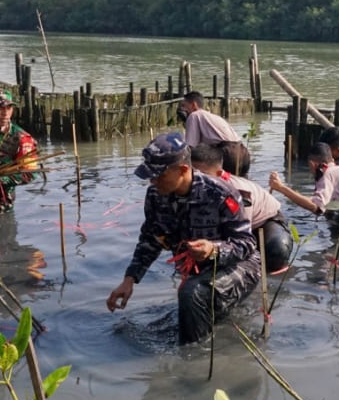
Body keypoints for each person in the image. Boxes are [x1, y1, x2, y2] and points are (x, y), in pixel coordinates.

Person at [106, 131, 261, 344]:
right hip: (195, 271)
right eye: (150, 175)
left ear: (183, 170)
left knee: (192, 294)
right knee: (192, 302)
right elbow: (151, 238)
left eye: (159, 175)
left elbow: (247, 244)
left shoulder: (220, 194)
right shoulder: (155, 196)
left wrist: (213, 250)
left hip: (240, 267)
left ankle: (193, 361)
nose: (153, 181)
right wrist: (129, 280)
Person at [190, 143, 294, 273]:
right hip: (230, 226)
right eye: (193, 174)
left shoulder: (237, 192)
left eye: (203, 175)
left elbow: (242, 232)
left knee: (276, 251)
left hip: (264, 222)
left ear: (218, 174)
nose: (197, 180)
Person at [178, 91, 251, 177]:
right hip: (243, 151)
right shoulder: (213, 116)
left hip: (227, 154)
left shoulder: (194, 115)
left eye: (184, 106)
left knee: (221, 183)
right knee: (239, 183)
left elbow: (190, 148)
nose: (182, 109)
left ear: (193, 105)